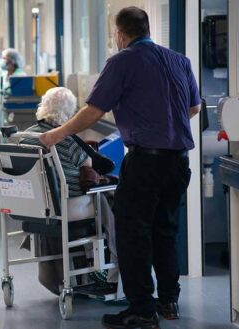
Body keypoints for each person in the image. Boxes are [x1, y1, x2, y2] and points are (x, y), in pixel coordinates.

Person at [39, 7, 201, 329]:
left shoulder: (122, 61)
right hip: (178, 161)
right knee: (165, 230)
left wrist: (56, 134)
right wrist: (164, 126)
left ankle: (141, 309)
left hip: (146, 162)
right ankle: (169, 301)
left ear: (120, 33)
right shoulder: (179, 60)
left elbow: (93, 111)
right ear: (147, 29)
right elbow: (194, 108)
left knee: (132, 234)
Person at [20, 87, 119, 295]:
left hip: (36, 205)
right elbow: (89, 164)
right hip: (67, 205)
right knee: (109, 195)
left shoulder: (25, 136)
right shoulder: (65, 139)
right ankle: (111, 268)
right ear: (70, 113)